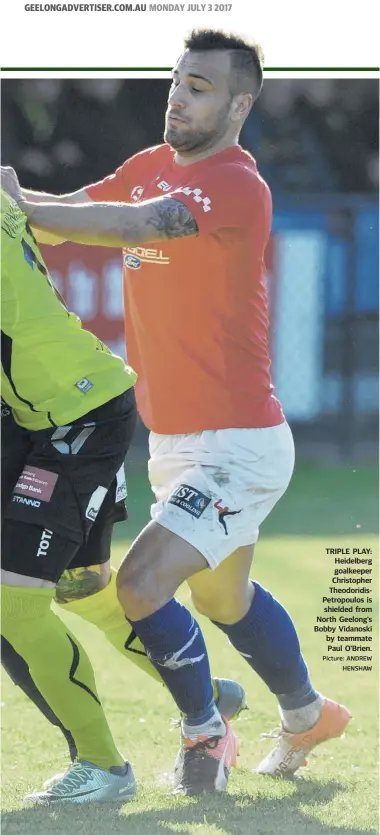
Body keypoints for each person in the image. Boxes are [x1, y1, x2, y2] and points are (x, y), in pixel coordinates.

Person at [2, 28, 351, 797]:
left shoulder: (236, 183)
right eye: (177, 80)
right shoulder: (151, 166)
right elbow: (70, 213)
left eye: (199, 86)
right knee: (225, 599)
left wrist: (19, 203)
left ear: (239, 104)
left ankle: (204, 730)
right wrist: (18, 205)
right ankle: (306, 713)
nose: (179, 95)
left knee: (142, 583)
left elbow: (132, 226)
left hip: (240, 445)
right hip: (176, 444)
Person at [0, 186, 246, 803]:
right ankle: (205, 695)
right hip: (39, 414)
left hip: (78, 417)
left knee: (15, 606)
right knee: (79, 586)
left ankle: (104, 767)